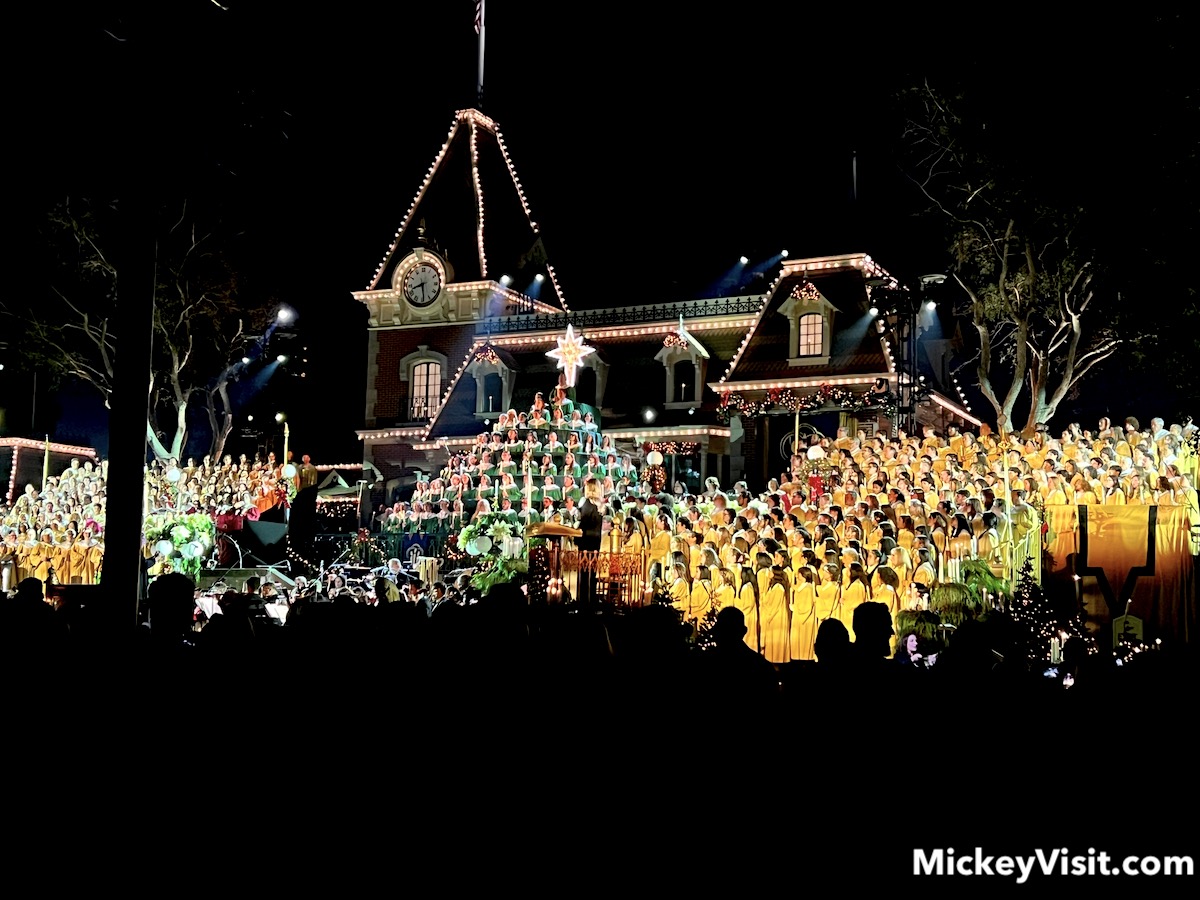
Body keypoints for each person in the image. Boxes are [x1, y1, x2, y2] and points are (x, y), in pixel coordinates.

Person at [576, 476, 603, 607]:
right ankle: (591, 599)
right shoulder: (600, 506)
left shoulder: (587, 504)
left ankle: (584, 601)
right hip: (596, 542)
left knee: (585, 574)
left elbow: (584, 524)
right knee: (592, 574)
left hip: (586, 542)